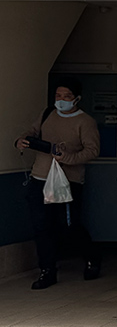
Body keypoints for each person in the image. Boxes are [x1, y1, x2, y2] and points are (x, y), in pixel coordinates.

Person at [13, 79, 102, 289]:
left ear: (77, 99)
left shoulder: (85, 122)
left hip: (68, 180)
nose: (61, 100)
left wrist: (68, 158)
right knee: (41, 226)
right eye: (58, 96)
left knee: (68, 224)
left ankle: (92, 257)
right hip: (40, 178)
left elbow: (92, 150)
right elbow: (32, 132)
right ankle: (47, 270)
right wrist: (22, 140)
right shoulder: (47, 114)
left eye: (67, 96)